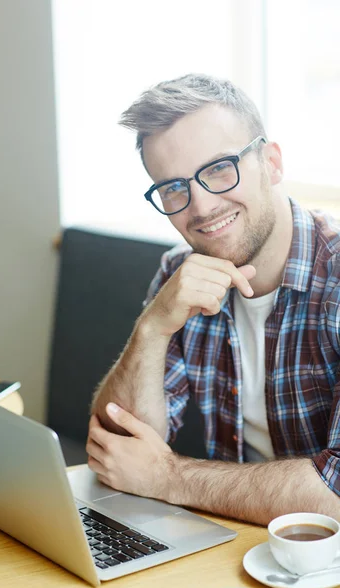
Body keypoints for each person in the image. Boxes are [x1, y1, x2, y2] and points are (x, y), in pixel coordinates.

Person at [86, 74, 340, 525]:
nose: (200, 207)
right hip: (235, 542)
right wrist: (153, 327)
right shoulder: (178, 273)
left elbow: (334, 493)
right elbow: (114, 446)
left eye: (220, 167)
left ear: (272, 163)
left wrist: (168, 477)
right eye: (173, 188)